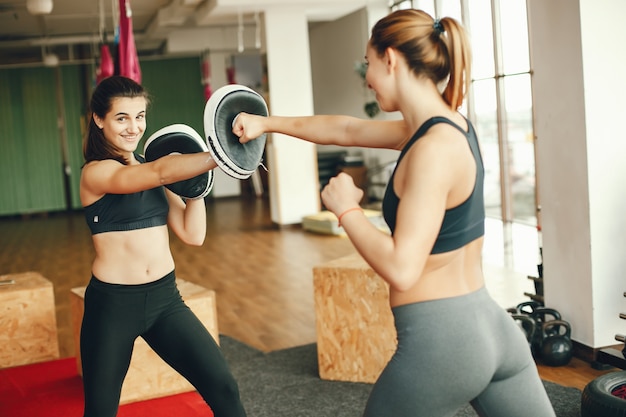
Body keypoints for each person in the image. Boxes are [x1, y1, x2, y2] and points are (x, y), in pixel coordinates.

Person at [232, 9, 556, 417]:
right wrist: (267, 123)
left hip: (443, 343)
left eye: (368, 63)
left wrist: (346, 209)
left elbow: (403, 268)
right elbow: (346, 130)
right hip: (491, 327)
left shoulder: (432, 150)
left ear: (391, 59)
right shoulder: (448, 126)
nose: (366, 77)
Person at [79, 75, 247, 417]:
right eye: (121, 117)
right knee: (100, 410)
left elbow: (192, 234)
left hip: (165, 301)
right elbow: (156, 175)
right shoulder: (96, 173)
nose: (133, 127)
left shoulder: (150, 167)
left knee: (224, 386)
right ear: (99, 119)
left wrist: (196, 186)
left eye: (139, 116)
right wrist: (220, 155)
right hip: (113, 307)